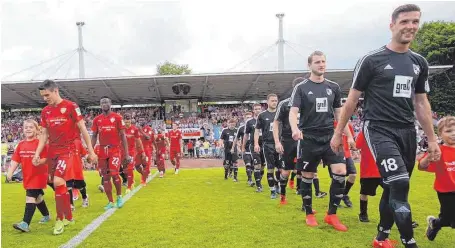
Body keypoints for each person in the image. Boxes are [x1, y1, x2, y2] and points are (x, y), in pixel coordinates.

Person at [330, 4, 440, 247]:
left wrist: (432, 140)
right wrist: (339, 132)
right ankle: (409, 241)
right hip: (378, 128)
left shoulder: (419, 62)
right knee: (399, 182)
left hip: (407, 131)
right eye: (404, 22)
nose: (410, 26)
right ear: (392, 26)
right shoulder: (371, 60)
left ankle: (381, 237)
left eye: (415, 22)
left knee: (395, 187)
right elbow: (351, 100)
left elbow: (421, 102)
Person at [289, 51, 354, 231]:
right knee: (308, 175)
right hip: (309, 137)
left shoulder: (333, 87)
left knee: (341, 171)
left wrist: (346, 134)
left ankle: (331, 214)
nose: (321, 64)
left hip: (331, 136)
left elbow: (339, 113)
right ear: (309, 65)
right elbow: (293, 112)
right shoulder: (301, 87)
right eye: (317, 62)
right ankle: (309, 213)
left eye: (323, 61)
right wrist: (295, 129)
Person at [34, 79, 98, 235]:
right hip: (52, 152)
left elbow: (83, 129)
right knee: (57, 184)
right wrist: (37, 153)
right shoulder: (45, 111)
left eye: (47, 95)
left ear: (56, 91)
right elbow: (44, 134)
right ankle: (69, 217)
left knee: (58, 181)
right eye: (43, 96)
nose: (45, 98)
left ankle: (59, 219)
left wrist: (91, 151)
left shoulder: (71, 106)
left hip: (67, 151)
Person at [8, 119, 50, 232]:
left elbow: (48, 158)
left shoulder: (40, 144)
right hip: (28, 176)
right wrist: (10, 172)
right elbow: (15, 160)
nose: (28, 129)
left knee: (30, 197)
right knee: (38, 197)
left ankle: (25, 224)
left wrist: (40, 161)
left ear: (37, 130)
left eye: (31, 127)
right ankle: (46, 215)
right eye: (26, 127)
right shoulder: (21, 145)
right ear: (23, 130)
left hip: (39, 175)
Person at [418, 116, 455, 241]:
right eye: (449, 131)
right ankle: (435, 223)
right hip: (446, 191)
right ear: (440, 134)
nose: (453, 134)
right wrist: (428, 157)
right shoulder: (438, 150)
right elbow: (421, 166)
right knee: (449, 220)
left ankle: (437, 223)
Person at [91, 97, 129, 210]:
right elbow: (94, 136)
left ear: (110, 104)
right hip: (102, 151)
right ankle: (110, 201)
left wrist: (126, 154)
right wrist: (91, 152)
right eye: (102, 102)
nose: (104, 104)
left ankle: (119, 197)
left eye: (106, 102)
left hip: (115, 150)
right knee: (105, 177)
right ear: (100, 105)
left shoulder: (117, 118)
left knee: (114, 173)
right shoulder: (97, 119)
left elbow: (123, 136)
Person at [274, 77, 303, 204]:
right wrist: (277, 141)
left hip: (305, 140)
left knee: (305, 170)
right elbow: (276, 123)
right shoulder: (285, 104)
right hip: (288, 140)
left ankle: (305, 203)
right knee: (286, 170)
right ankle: (283, 196)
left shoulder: (309, 102)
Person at [255, 94, 281, 199]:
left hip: (280, 144)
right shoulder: (262, 115)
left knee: (280, 169)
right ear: (267, 102)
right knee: (270, 168)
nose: (274, 102)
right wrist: (256, 143)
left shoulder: (281, 114)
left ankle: (277, 184)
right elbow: (257, 131)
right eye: (272, 101)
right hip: (268, 144)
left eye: (276, 100)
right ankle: (272, 191)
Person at [355, 130, 382, 222]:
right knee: (364, 192)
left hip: (384, 168)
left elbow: (357, 145)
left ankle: (402, 218)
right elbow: (357, 145)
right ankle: (363, 213)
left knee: (394, 193)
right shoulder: (364, 131)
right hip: (370, 169)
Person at [334, 120, 357, 207]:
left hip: (347, 153)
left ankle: (344, 194)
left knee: (353, 175)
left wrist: (354, 152)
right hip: (336, 153)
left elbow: (351, 140)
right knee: (338, 178)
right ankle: (336, 199)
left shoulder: (348, 125)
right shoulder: (333, 123)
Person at [243, 104, 265, 192]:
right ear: (253, 111)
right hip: (253, 145)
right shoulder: (249, 122)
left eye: (259, 109)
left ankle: (258, 180)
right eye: (256, 109)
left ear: (261, 109)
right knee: (257, 165)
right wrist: (243, 146)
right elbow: (246, 135)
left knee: (263, 166)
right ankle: (259, 186)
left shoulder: (265, 119)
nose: (258, 110)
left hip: (265, 145)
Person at [124, 113, 147, 193]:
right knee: (125, 170)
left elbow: (139, 141)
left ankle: (129, 186)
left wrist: (142, 151)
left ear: (130, 121)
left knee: (130, 168)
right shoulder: (121, 129)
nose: (127, 124)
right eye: (126, 122)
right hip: (123, 151)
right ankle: (132, 180)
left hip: (131, 151)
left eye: (128, 122)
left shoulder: (135, 129)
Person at [232, 112, 253, 186]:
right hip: (245, 149)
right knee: (248, 164)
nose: (248, 119)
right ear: (244, 118)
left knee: (253, 166)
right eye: (247, 117)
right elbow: (236, 138)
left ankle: (250, 178)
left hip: (254, 148)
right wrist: (233, 147)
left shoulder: (256, 125)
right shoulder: (241, 128)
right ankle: (250, 180)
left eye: (250, 117)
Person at [138, 117, 155, 183]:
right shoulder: (138, 129)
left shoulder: (149, 129)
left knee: (146, 163)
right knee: (138, 164)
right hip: (139, 149)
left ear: (145, 121)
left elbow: (148, 137)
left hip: (147, 148)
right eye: (139, 120)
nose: (140, 121)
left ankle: (145, 177)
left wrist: (141, 131)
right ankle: (146, 173)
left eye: (142, 120)